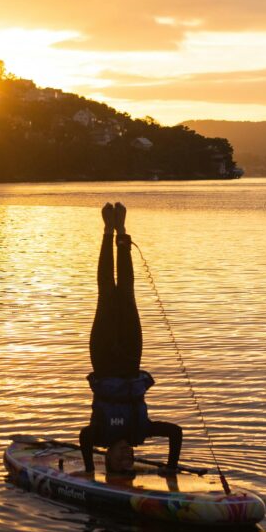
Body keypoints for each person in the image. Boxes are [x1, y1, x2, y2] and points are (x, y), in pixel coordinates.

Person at [79, 202, 183, 477]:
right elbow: (175, 432)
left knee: (106, 291)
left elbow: (83, 438)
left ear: (108, 458)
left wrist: (90, 472)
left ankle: (107, 232)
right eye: (130, 459)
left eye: (121, 459)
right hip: (130, 359)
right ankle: (122, 232)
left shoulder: (99, 436)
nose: (128, 455)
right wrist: (170, 470)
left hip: (102, 359)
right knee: (126, 293)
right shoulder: (140, 431)